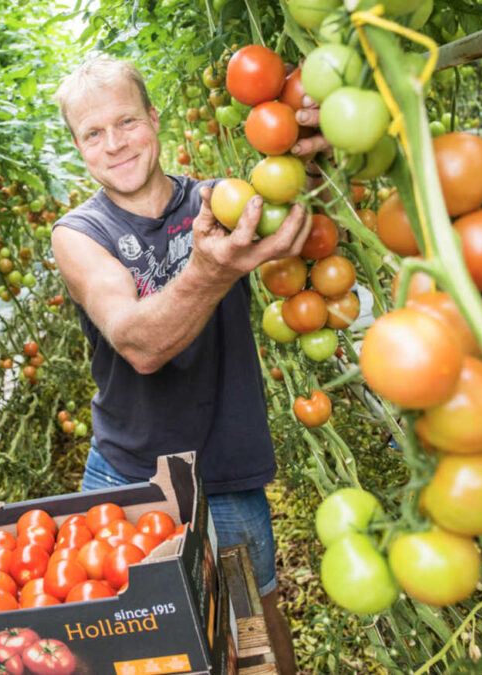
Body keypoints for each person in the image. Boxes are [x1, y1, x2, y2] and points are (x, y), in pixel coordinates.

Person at [51, 56, 325, 673]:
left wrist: (314, 157)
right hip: (123, 473)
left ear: (153, 118)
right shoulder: (79, 233)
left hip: (222, 472)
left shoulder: (220, 201)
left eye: (126, 121)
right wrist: (213, 269)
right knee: (131, 636)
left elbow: (309, 217)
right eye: (93, 133)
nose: (114, 143)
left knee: (252, 624)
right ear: (78, 146)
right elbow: (137, 343)